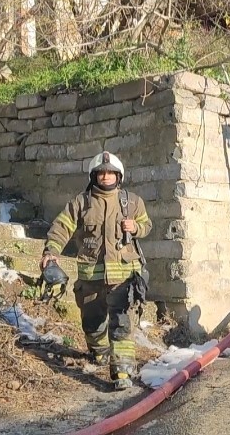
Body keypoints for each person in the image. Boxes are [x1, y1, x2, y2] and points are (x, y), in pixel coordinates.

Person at [41, 151, 152, 390]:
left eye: (110, 173)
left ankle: (122, 372)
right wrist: (51, 251)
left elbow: (147, 224)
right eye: (101, 173)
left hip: (124, 276)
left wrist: (136, 227)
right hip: (91, 277)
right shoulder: (81, 202)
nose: (106, 177)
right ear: (94, 176)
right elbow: (62, 226)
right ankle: (100, 351)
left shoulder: (132, 202)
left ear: (118, 176)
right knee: (92, 323)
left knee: (121, 323)